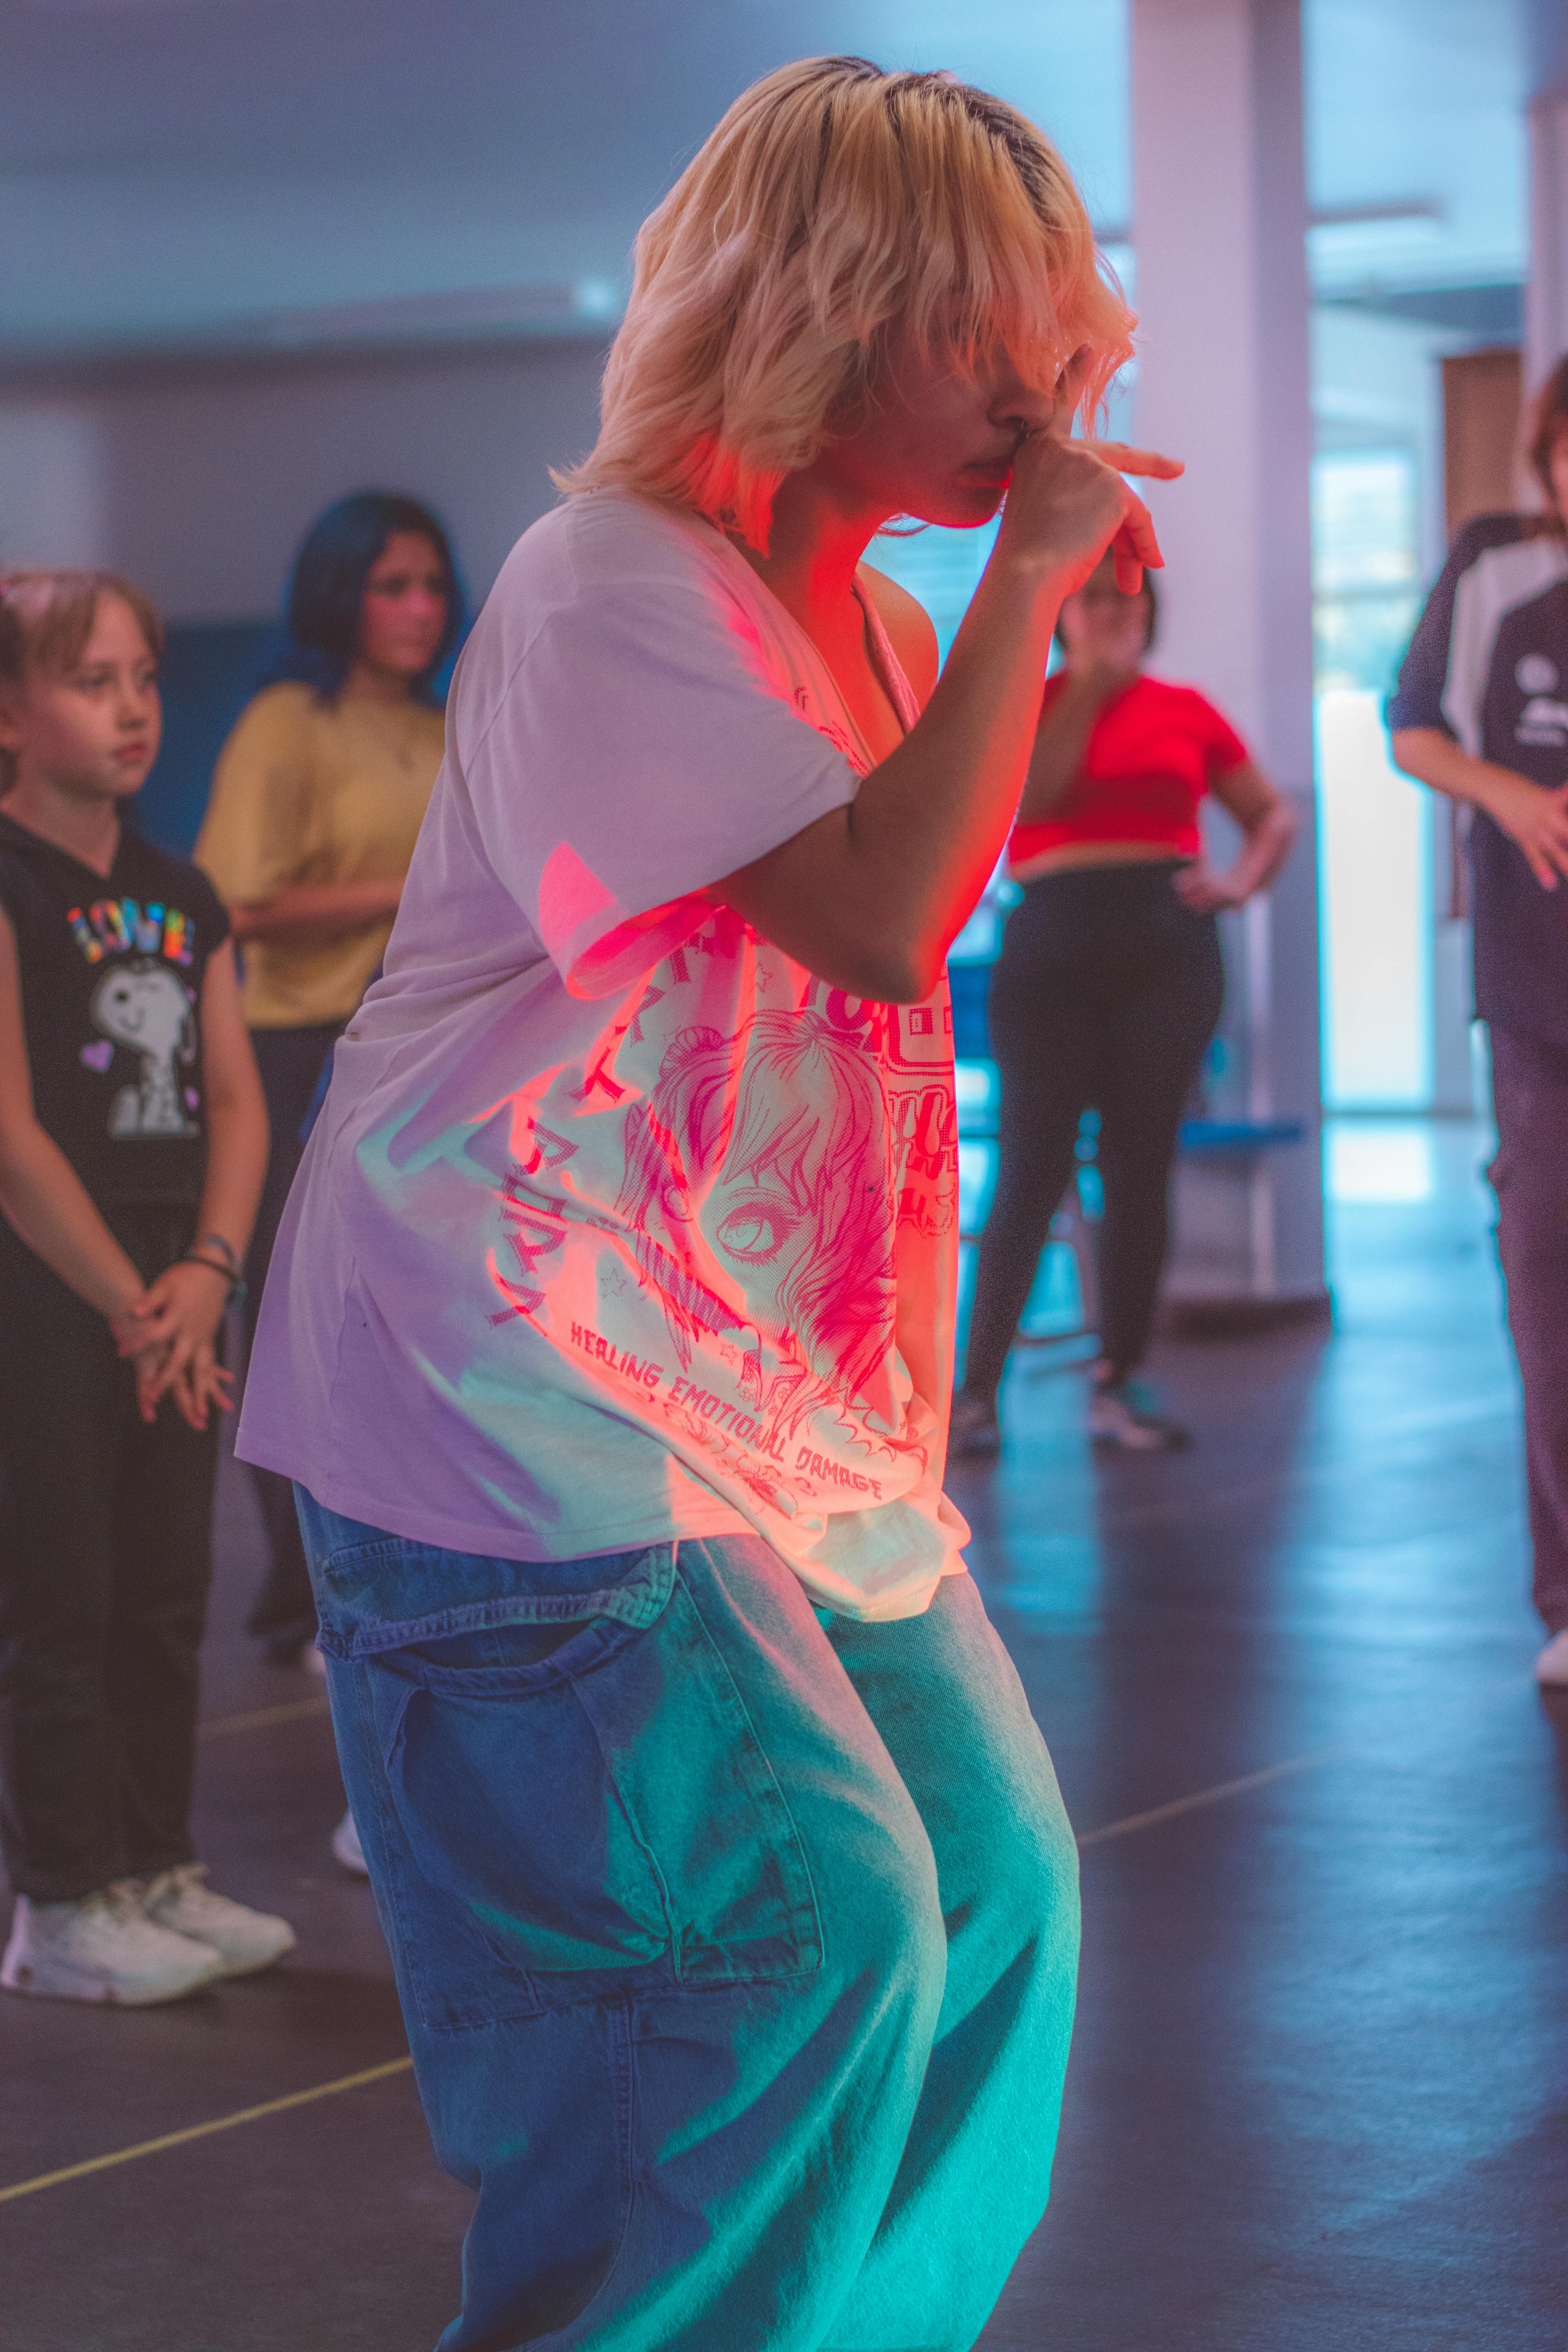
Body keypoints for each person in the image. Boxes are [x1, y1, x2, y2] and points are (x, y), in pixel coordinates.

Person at [238, 57, 1179, 2352]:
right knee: (814, 1930)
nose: (1039, 399)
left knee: (998, 1894)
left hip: (745, 1398)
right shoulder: (603, 587)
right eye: (988, 340)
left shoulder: (857, 613)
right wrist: (1028, 586)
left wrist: (1047, 656)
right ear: (821, 317)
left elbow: (910, 870)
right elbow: (872, 916)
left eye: (1063, 346)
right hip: (507, 1405)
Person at [0, 569, 294, 2005]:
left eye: (143, 679)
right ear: (9, 714)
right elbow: (11, 1142)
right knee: (61, 1595)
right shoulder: (9, 881)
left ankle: (152, 1864)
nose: (131, 708)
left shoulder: (181, 895)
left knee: (164, 1591)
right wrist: (137, 1300)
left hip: (179, 1291)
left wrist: (208, 1272)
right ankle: (61, 1904)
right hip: (57, 1293)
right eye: (91, 680)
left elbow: (237, 1104)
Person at [951, 554, 1296, 1457]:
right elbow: (1032, 796)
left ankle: (1119, 1381)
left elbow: (1271, 816)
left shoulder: (1184, 710)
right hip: (1052, 936)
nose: (1110, 613)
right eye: (1091, 599)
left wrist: (1237, 884)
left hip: (1165, 941)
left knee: (1139, 1164)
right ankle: (976, 1393)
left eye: (1125, 598)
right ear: (1061, 615)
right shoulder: (1032, 700)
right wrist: (1092, 687)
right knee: (1032, 1161)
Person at [195, 493, 459, 1664]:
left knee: (419, 1321)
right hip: (295, 1046)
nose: (419, 608)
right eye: (392, 584)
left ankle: (411, 1559)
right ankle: (310, 1592)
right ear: (342, 594)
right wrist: (404, 893)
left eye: (433, 585)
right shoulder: (288, 723)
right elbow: (226, 901)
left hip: (422, 1045)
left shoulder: (448, 723)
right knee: (304, 1326)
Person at [1390, 354, 1568, 1686]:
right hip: (1534, 989)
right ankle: (1566, 1597)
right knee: (1548, 1283)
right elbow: (1411, 727)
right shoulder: (1498, 563)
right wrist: (1505, 797)